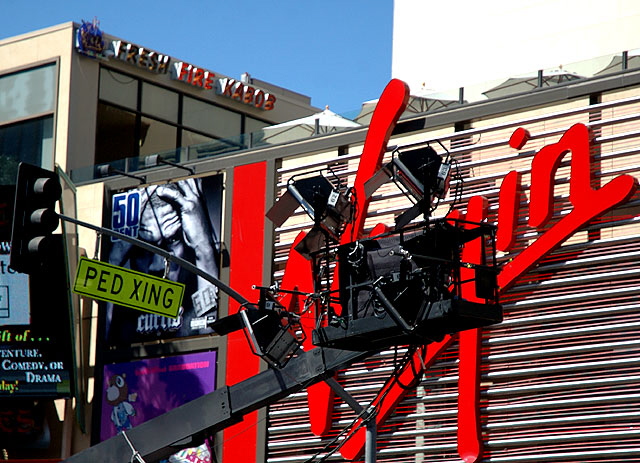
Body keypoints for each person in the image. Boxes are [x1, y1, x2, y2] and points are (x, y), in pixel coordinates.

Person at [106, 177, 221, 343]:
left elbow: (212, 340)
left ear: (188, 237)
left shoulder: (203, 279)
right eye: (145, 246)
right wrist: (114, 260)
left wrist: (203, 249)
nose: (156, 265)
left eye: (172, 241)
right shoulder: (122, 306)